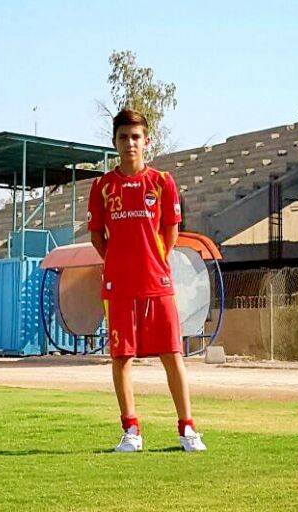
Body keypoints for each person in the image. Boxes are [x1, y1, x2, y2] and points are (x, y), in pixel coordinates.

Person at [87, 109, 206, 453]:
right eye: (123, 137)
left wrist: (153, 261)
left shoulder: (162, 182)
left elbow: (171, 232)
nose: (130, 143)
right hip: (118, 286)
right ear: (114, 142)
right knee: (121, 358)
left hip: (157, 283)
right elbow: (97, 237)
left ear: (147, 141)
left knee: (172, 354)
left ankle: (187, 429)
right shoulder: (102, 187)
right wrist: (119, 263)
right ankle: (131, 431)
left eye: (136, 137)